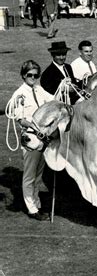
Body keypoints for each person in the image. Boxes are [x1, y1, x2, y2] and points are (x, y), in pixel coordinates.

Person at [9, 60, 53, 221]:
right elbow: (20, 119)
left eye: (36, 75)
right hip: (30, 137)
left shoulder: (39, 89)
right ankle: (32, 208)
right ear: (23, 75)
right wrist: (36, 125)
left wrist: (64, 87)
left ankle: (37, 204)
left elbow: (53, 100)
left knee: (38, 173)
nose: (33, 78)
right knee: (29, 174)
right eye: (30, 75)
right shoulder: (19, 94)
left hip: (42, 138)